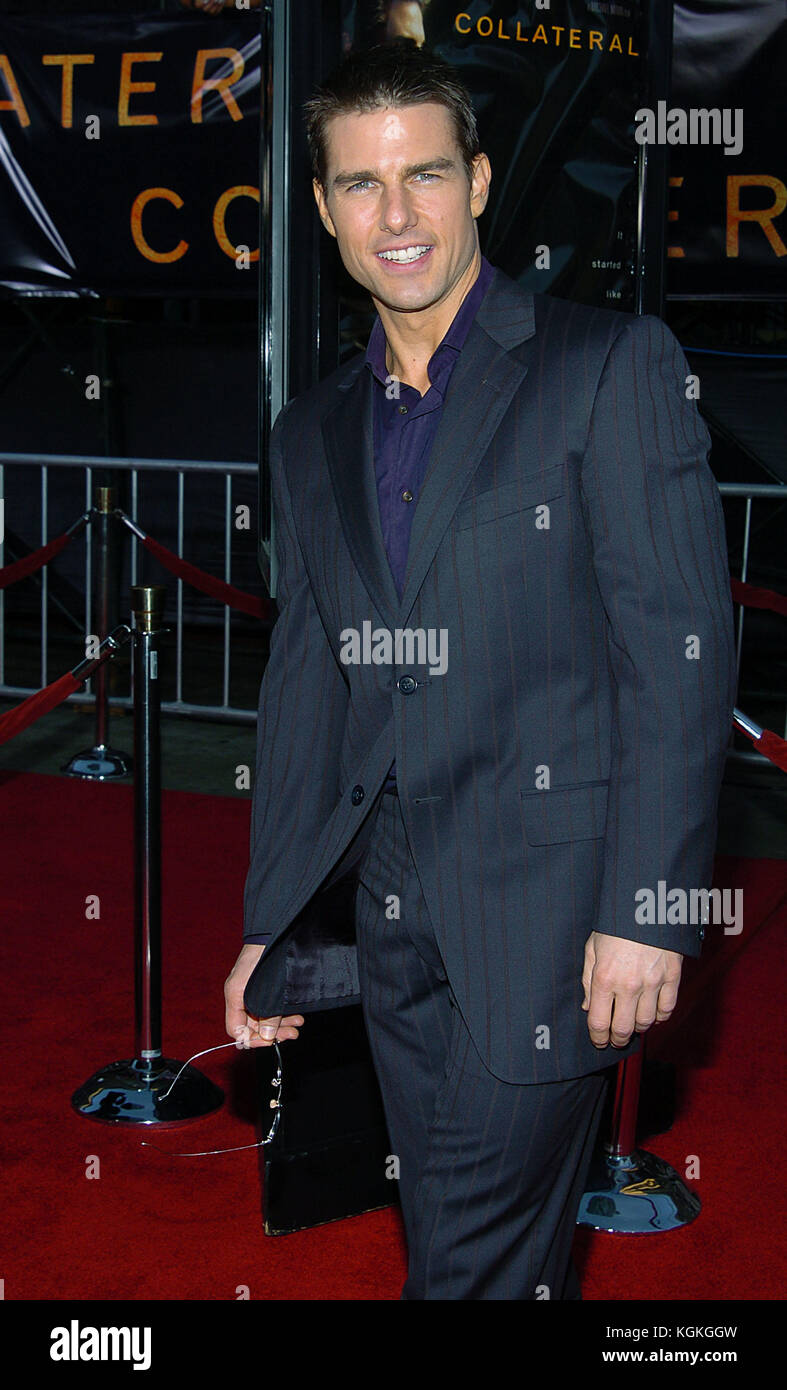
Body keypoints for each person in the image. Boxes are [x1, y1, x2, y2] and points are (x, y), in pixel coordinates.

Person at [224, 40, 736, 1300]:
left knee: (471, 1262)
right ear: (325, 211)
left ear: (480, 182)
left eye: (426, 176)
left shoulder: (603, 368)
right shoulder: (311, 434)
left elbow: (678, 651)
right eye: (359, 185)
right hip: (394, 928)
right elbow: (309, 686)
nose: (396, 216)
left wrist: (648, 909)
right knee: (474, 1231)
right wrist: (267, 923)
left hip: (559, 922)